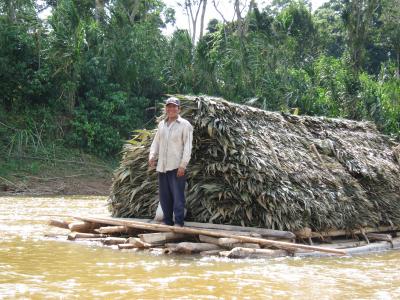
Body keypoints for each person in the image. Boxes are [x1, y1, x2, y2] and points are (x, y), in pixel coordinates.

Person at [149, 97, 193, 227]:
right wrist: (152, 155)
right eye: (169, 107)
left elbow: (188, 146)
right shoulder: (162, 124)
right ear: (166, 109)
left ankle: (178, 222)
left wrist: (183, 165)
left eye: (174, 107)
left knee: (178, 196)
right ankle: (167, 221)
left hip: (176, 166)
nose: (171, 109)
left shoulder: (185, 125)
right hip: (162, 166)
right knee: (165, 196)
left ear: (179, 109)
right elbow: (156, 142)